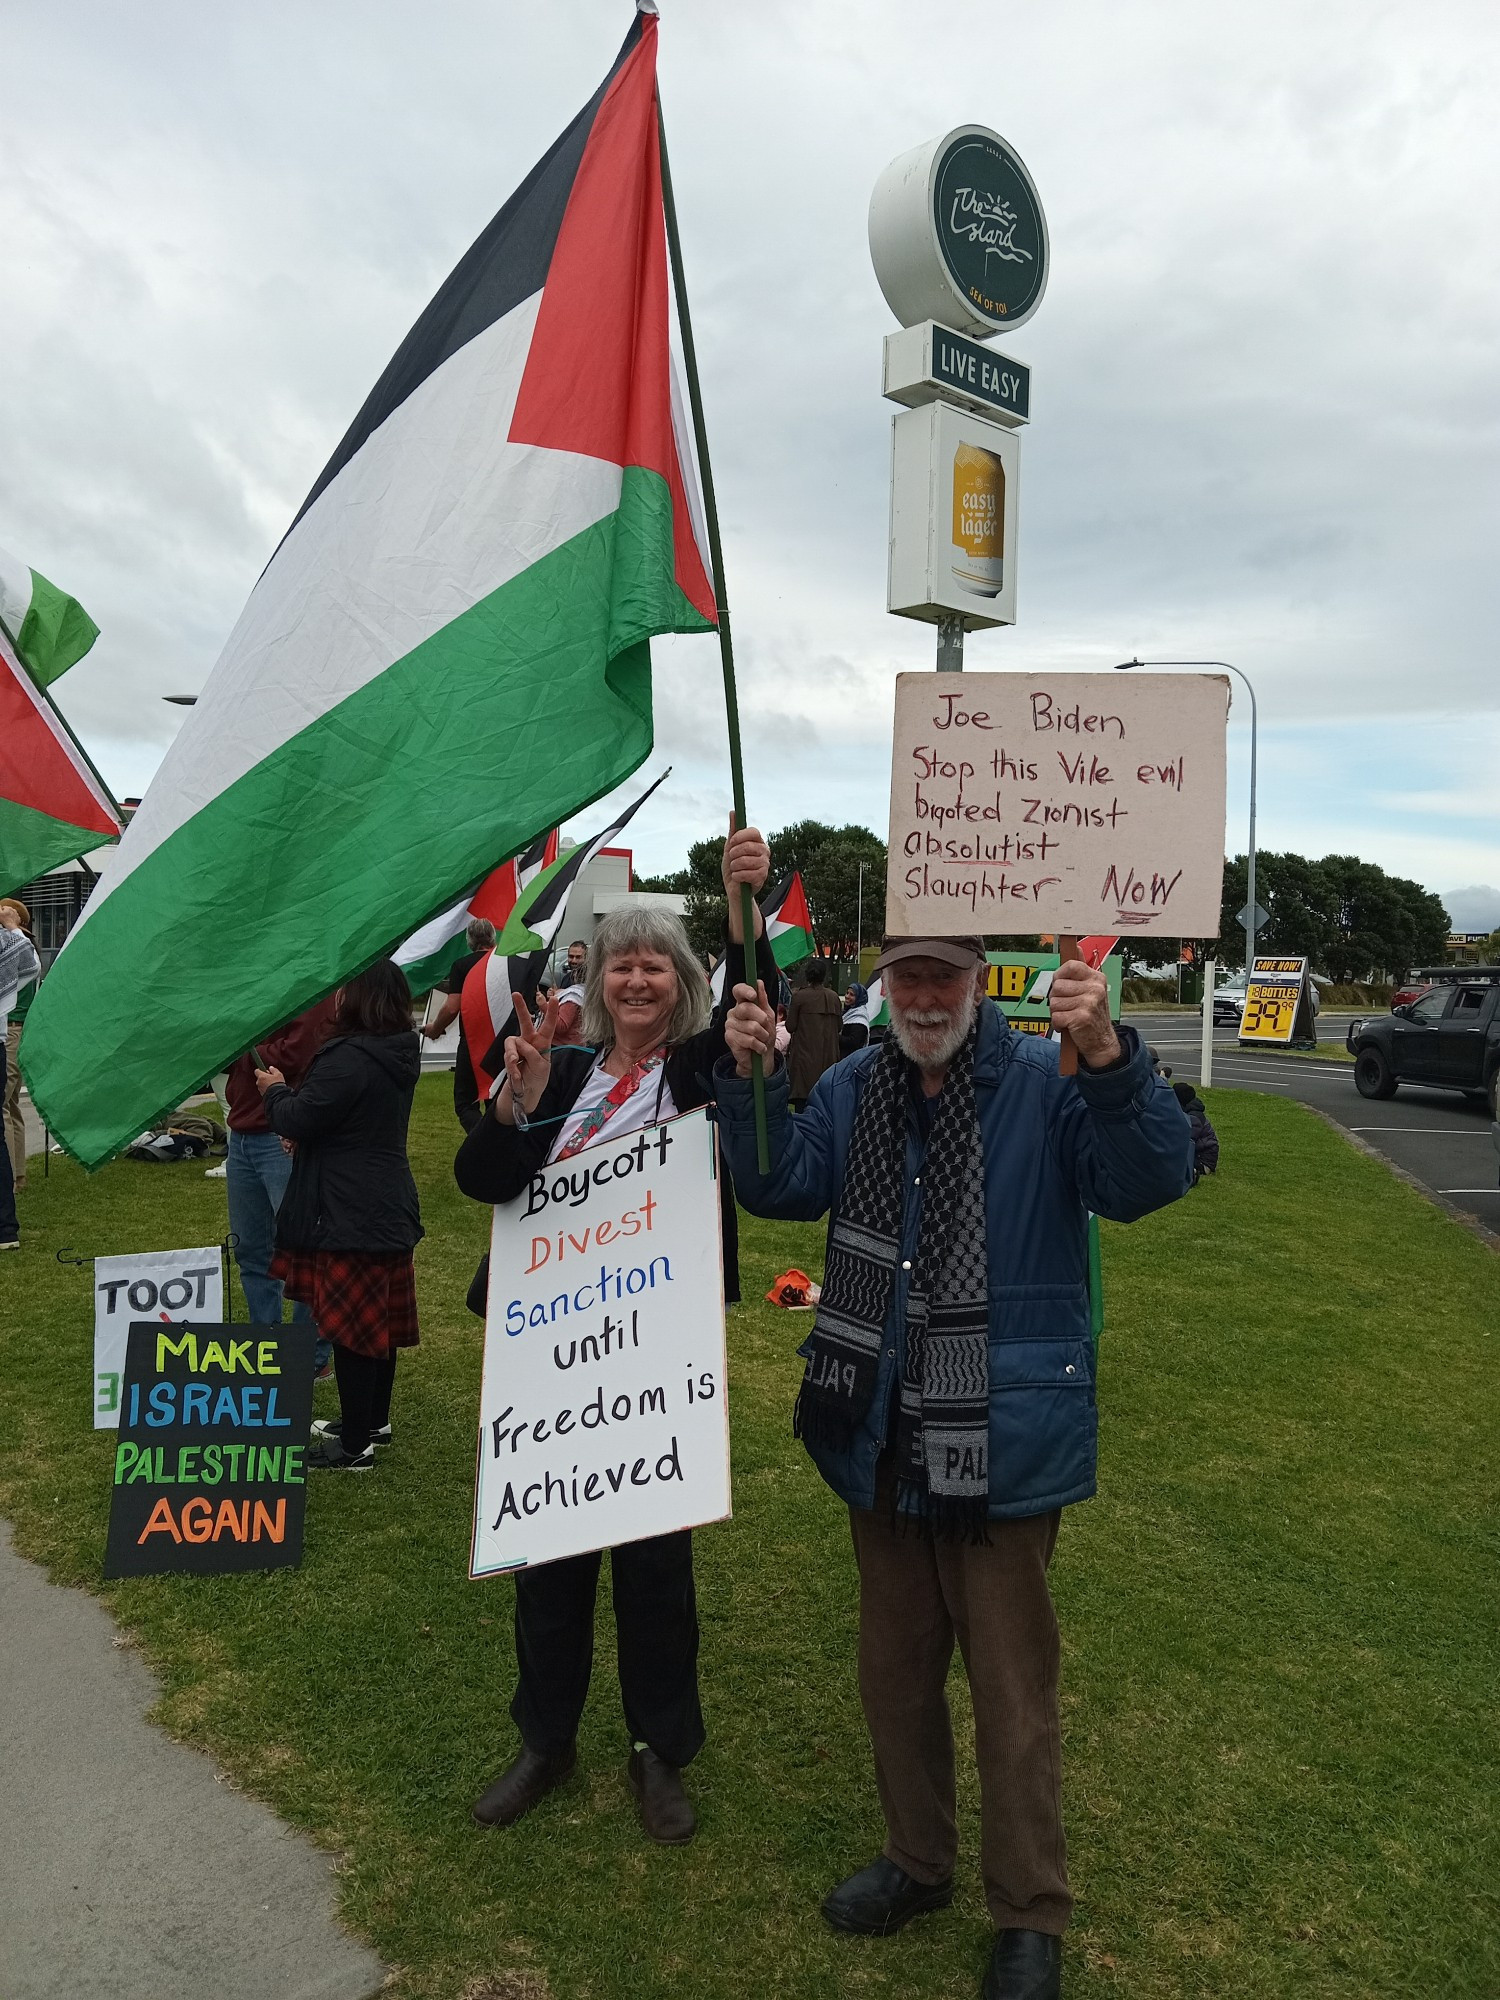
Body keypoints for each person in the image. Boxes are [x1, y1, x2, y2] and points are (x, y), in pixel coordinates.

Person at [717, 935, 1193, 2000]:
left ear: (980, 981)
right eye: (909, 977)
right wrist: (746, 1081)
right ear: (884, 985)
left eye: (946, 976)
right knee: (894, 1673)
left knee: (1013, 1692)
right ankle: (917, 1859)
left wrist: (1110, 1052)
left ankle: (1029, 1910)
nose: (926, 996)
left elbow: (1148, 1179)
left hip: (999, 1431)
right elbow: (779, 1184)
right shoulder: (849, 1084)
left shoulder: (1047, 1078)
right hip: (877, 1423)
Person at [453, 822, 777, 1845]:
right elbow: (483, 1181)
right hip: (553, 1355)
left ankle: (658, 1749)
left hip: (655, 1355)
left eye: (657, 964)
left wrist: (743, 905)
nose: (638, 978)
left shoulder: (698, 1071)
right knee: (549, 1557)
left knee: (652, 1570)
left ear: (681, 984)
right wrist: (517, 1106)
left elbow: (749, 1003)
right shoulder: (564, 1067)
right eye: (623, 963)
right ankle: (545, 1739)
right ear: (599, 982)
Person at [257, 961, 423, 1471]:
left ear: (359, 998)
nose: (337, 996)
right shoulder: (398, 1050)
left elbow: (300, 1116)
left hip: (350, 1208)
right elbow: (342, 1120)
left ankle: (355, 1446)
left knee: (354, 1330)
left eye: (345, 989)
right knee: (381, 1325)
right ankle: (372, 1421)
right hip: (386, 1200)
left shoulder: (348, 1057)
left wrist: (275, 1090)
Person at [223, 995, 340, 1366]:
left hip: (280, 1134)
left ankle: (310, 1356)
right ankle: (267, 1349)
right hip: (244, 1133)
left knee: (303, 1250)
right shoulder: (261, 988)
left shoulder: (309, 987)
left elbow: (296, 1052)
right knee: (252, 1250)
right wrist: (245, 1049)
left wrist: (243, 1047)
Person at [420, 917, 496, 1132]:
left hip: (473, 1042)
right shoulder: (506, 962)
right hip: (502, 1040)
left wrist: (435, 1028)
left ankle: (482, 1144)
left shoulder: (462, 966)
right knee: (497, 1100)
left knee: (466, 1104)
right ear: (492, 936)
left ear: (469, 940)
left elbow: (453, 1007)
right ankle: (498, 1146)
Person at [0, 901, 41, 1251]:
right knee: (9, 1107)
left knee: (4, 1106)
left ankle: (14, 1177)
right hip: (11, 1031)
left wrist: (12, 927)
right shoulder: (15, 944)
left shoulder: (15, 945)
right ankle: (17, 1174)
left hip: (10, 1030)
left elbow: (29, 968)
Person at [787, 960, 844, 1110]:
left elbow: (790, 1026)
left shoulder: (800, 996)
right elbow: (839, 1027)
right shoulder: (833, 997)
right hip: (828, 1059)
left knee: (802, 1107)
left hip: (804, 1060)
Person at [1172, 1078, 1220, 1181]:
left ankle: (1192, 1173)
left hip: (1203, 1162)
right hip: (1200, 1157)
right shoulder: (1190, 1112)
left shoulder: (1194, 1117)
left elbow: (1186, 1141)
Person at [550, 939, 589, 1047]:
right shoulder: (567, 977)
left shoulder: (591, 980)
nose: (574, 960)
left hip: (571, 1046)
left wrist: (544, 1006)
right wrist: (555, 996)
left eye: (578, 957)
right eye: (571, 956)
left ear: (587, 958)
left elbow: (562, 1025)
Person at [840, 980, 874, 1058]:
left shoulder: (859, 1018)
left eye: (852, 994)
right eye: (847, 993)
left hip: (851, 1059)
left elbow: (853, 1042)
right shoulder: (847, 1012)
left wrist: (835, 1037)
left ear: (859, 998)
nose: (847, 996)